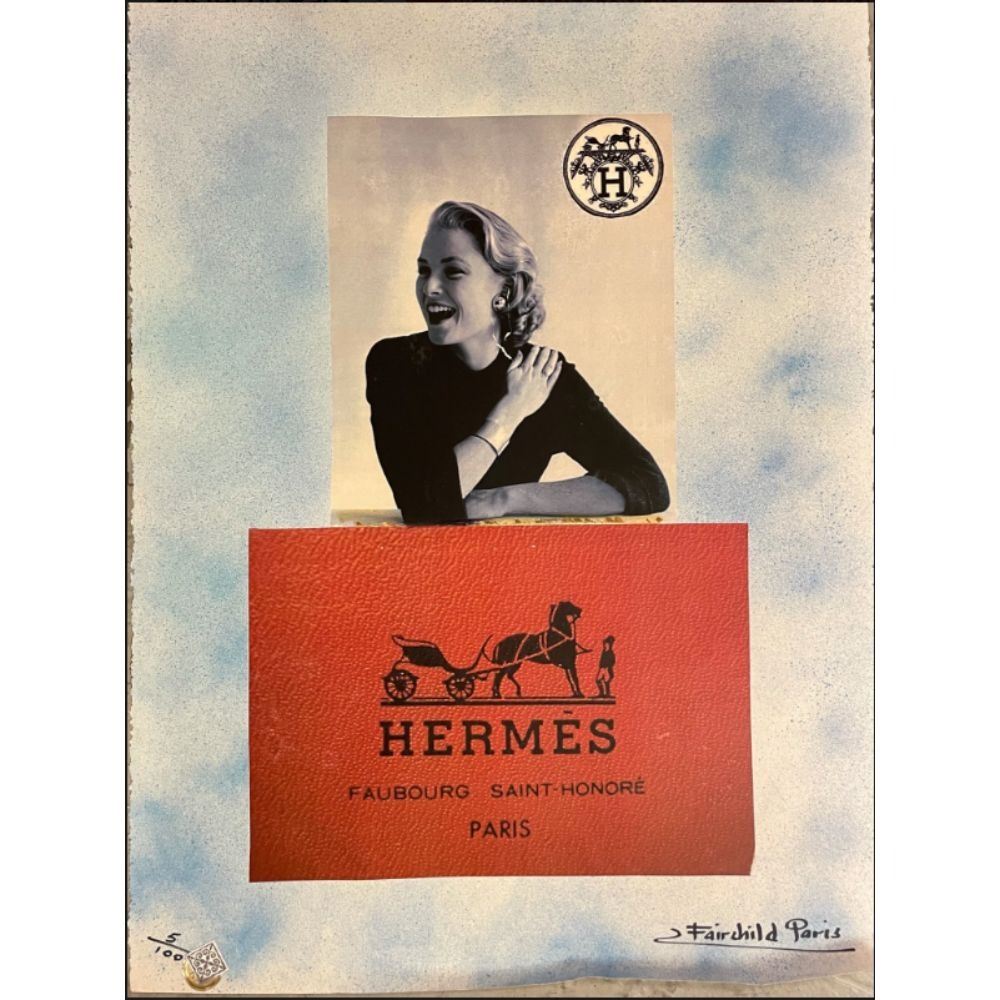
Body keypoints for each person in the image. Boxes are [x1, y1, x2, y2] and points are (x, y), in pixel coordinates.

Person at [365, 201, 670, 525]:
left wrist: (504, 499)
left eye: (453, 271)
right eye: (424, 271)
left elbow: (647, 484)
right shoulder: (396, 362)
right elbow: (423, 505)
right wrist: (509, 414)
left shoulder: (541, 374)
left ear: (505, 290)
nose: (430, 287)